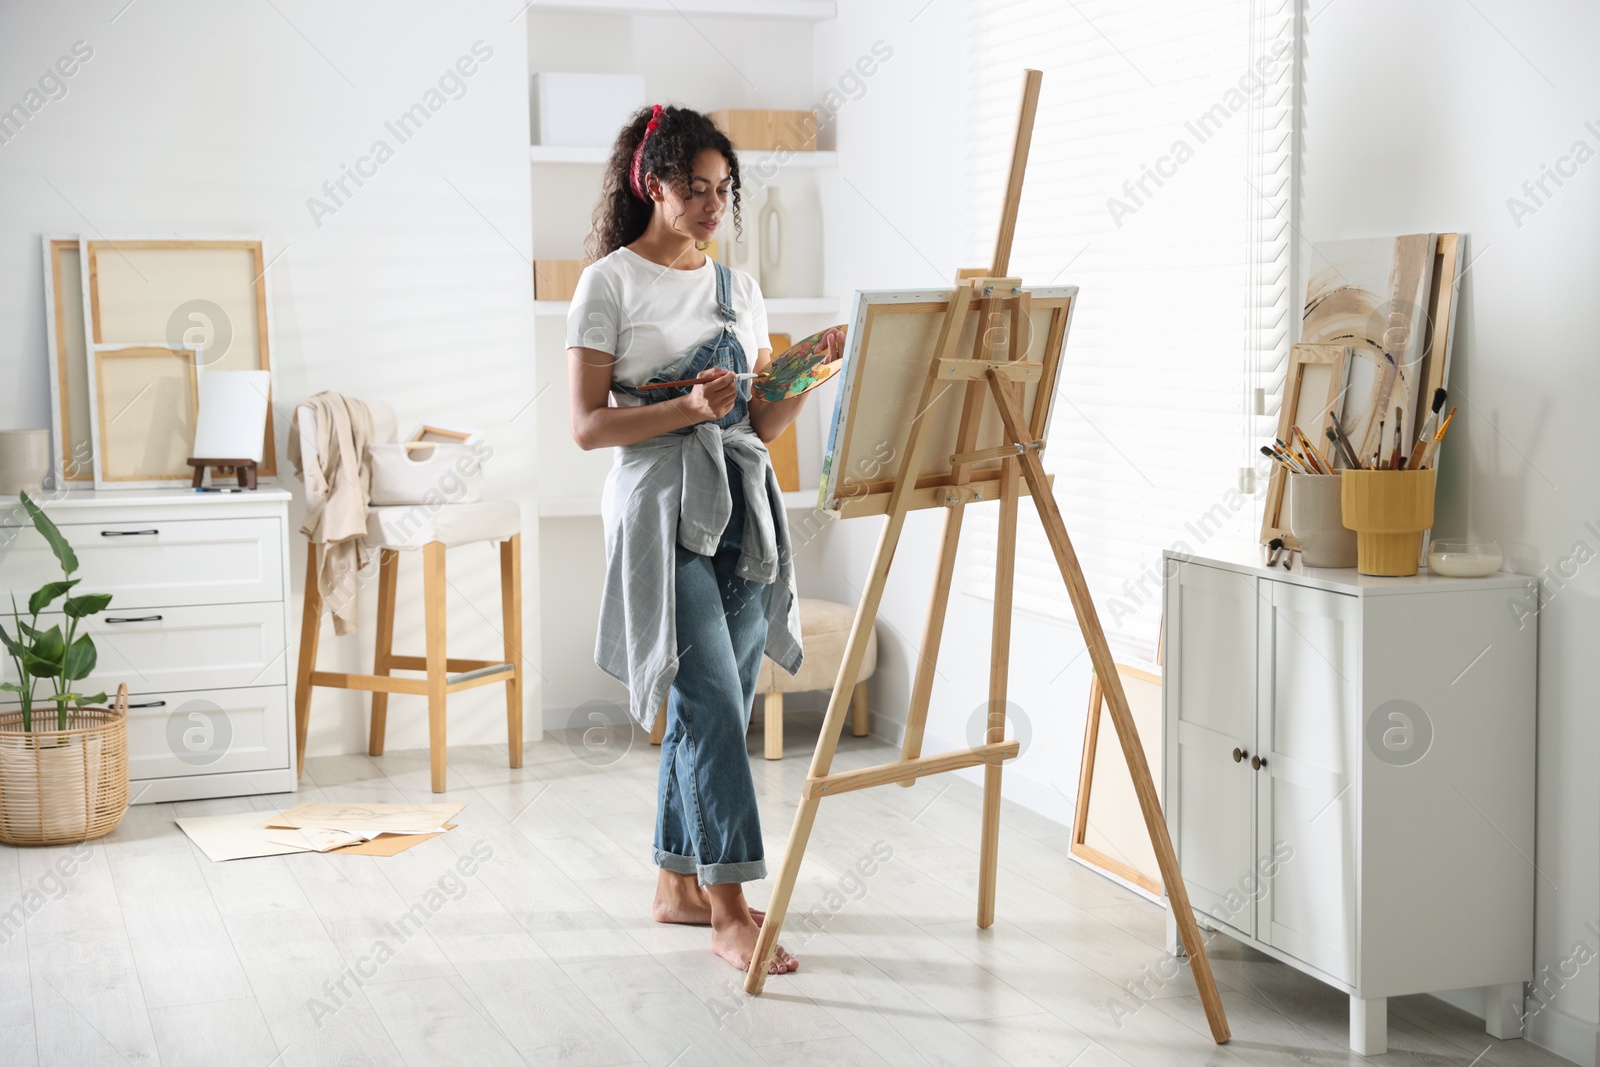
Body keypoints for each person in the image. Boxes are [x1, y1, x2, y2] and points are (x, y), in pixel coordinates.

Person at [565, 103, 839, 975]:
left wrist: (804, 378)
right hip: (657, 505)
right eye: (697, 188)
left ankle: (676, 887)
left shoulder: (738, 290)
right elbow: (585, 427)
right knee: (716, 695)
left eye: (725, 190)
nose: (715, 205)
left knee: (711, 696)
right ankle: (729, 908)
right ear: (654, 183)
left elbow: (758, 418)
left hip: (740, 499)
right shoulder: (608, 283)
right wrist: (685, 407)